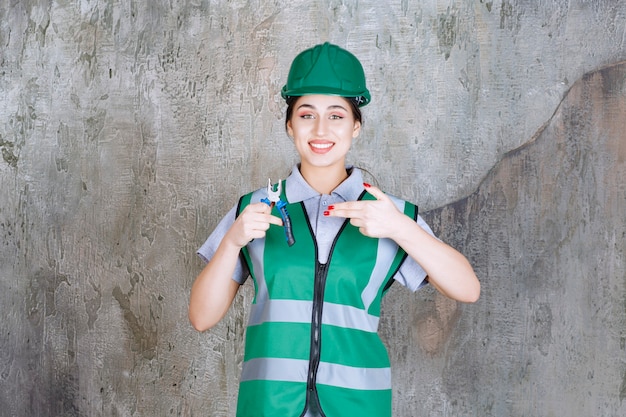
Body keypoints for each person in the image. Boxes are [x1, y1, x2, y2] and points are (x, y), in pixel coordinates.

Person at [189, 42, 480, 417]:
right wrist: (231, 241)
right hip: (268, 407)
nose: (321, 129)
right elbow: (201, 318)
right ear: (290, 124)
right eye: (307, 115)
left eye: (337, 116)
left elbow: (467, 289)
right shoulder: (253, 210)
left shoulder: (390, 213)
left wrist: (399, 228)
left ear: (356, 126)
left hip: (358, 408)